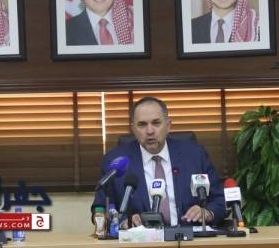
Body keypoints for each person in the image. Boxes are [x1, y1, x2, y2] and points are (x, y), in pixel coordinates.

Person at [91, 97, 226, 227]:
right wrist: (123, 221)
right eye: (142, 125)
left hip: (189, 236)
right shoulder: (116, 162)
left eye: (156, 123)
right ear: (133, 129)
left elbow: (220, 201)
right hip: (140, 239)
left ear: (168, 125)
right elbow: (100, 209)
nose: (150, 131)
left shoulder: (194, 155)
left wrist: (207, 212)